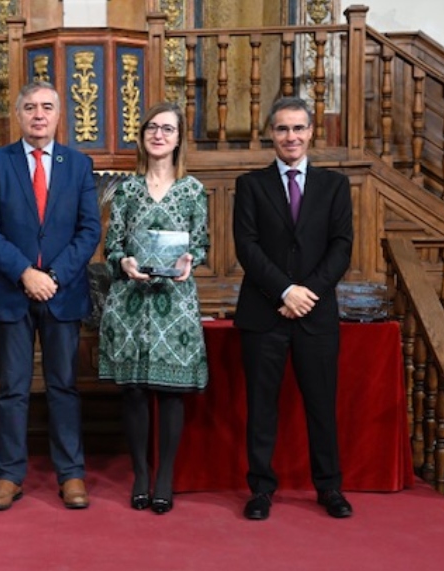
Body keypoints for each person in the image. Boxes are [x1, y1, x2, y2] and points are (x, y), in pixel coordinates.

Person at [0, 81, 101, 511]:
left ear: (59, 114)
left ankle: (71, 474)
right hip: (12, 291)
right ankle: (9, 475)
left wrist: (55, 276)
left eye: (47, 106)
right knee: (13, 389)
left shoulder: (79, 165)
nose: (39, 114)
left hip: (62, 293)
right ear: (18, 115)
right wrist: (26, 273)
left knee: (64, 386)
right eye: (30, 107)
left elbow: (89, 231)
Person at [233, 96, 354, 520]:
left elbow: (342, 247)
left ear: (310, 132)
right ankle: (261, 489)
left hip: (316, 314)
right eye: (283, 128)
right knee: (261, 406)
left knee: (321, 405)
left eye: (298, 128)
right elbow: (246, 247)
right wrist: (285, 292)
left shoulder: (334, 186)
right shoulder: (250, 185)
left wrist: (306, 294)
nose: (291, 136)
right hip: (264, 314)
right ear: (271, 133)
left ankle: (329, 487)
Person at [98, 103, 209, 514]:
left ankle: (165, 477)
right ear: (143, 135)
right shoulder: (126, 189)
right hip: (131, 299)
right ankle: (141, 475)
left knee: (171, 392)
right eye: (152, 128)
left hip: (175, 301)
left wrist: (189, 261)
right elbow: (112, 247)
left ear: (179, 138)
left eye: (168, 129)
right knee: (135, 392)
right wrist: (123, 263)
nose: (159, 134)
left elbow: (201, 244)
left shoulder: (193, 189)